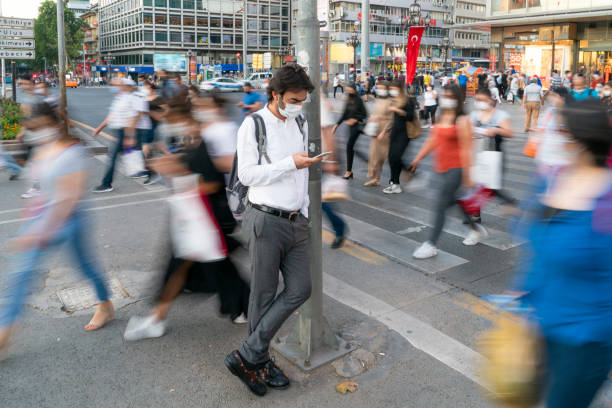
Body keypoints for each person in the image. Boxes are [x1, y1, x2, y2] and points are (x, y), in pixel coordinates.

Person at [224, 64, 322, 396]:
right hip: (265, 219)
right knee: (263, 295)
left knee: (301, 288)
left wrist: (305, 210)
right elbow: (246, 175)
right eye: (294, 99)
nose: (298, 105)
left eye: (303, 100)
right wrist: (288, 164)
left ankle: (248, 355)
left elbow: (303, 173)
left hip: (296, 222)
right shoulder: (253, 125)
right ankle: (259, 362)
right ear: (275, 95)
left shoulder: (300, 122)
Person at [511, 99, 612, 408]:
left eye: (559, 128)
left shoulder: (606, 201)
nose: (552, 133)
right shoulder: (551, 177)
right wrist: (521, 294)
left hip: (585, 339)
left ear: (577, 139)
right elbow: (535, 245)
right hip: (541, 323)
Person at [123, 96, 249, 341]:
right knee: (216, 265)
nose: (169, 125)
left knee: (180, 264)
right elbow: (191, 170)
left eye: (172, 120)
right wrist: (172, 167)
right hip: (195, 214)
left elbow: (210, 183)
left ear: (184, 118)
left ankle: (157, 319)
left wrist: (176, 174)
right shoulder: (191, 139)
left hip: (208, 215)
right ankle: (242, 305)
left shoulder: (205, 139)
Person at [0, 103, 114, 357]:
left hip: (67, 221)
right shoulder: (44, 148)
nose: (35, 133)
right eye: (32, 129)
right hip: (40, 220)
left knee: (84, 266)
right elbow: (38, 187)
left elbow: (68, 200)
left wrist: (37, 234)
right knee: (21, 274)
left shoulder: (73, 153)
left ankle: (105, 304)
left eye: (38, 128)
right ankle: (4, 333)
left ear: (54, 125)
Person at [410, 84, 487, 259]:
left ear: (458, 99)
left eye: (451, 96)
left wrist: (468, 175)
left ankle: (431, 244)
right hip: (441, 167)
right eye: (445, 96)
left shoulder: (463, 120)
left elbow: (467, 148)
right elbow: (433, 140)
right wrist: (418, 158)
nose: (447, 99)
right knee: (454, 201)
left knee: (440, 205)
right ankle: (475, 228)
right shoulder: (441, 115)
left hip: (457, 168)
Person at [469, 87, 517, 222]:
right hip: (477, 153)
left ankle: (510, 201)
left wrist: (496, 129)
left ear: (490, 99)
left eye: (482, 100)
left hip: (495, 155)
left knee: (491, 187)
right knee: (475, 185)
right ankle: (475, 216)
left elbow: (510, 133)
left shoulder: (500, 115)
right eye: (477, 100)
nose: (479, 103)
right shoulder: (474, 115)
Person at [92, 78, 139, 193]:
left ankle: (106, 184)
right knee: (132, 155)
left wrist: (129, 137)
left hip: (124, 132)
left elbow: (132, 119)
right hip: (118, 132)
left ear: (123, 86)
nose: (112, 86)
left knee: (113, 158)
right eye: (112, 84)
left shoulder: (128, 99)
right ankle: (150, 171)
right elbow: (111, 116)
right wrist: (99, 128)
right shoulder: (118, 99)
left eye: (115, 84)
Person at [320, 92, 347, 248]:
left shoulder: (317, 102)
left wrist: (331, 160)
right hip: (308, 158)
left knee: (323, 201)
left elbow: (328, 134)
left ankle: (340, 229)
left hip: (322, 159)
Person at [383, 81, 416, 194]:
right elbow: (392, 119)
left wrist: (398, 110)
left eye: (394, 88)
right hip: (395, 132)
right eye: (391, 88)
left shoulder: (408, 100)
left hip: (405, 133)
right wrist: (385, 131)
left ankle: (405, 173)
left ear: (400, 88)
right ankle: (394, 183)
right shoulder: (394, 100)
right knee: (391, 158)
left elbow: (411, 117)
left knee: (396, 157)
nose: (392, 90)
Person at [332, 82, 367, 180]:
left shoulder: (358, 100)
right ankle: (366, 160)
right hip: (350, 127)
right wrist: (336, 125)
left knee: (349, 146)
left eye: (349, 88)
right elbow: (345, 114)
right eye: (347, 88)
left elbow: (364, 115)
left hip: (357, 126)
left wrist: (355, 119)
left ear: (353, 89)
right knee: (351, 147)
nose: (348, 90)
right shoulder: (348, 99)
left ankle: (348, 171)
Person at [364, 81, 393, 187]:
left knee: (384, 157)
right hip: (376, 130)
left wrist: (385, 131)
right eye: (378, 87)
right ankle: (376, 179)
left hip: (384, 133)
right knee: (374, 156)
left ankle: (402, 174)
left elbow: (391, 119)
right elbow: (376, 113)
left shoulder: (391, 101)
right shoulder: (379, 100)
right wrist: (372, 118)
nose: (380, 90)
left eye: (382, 88)